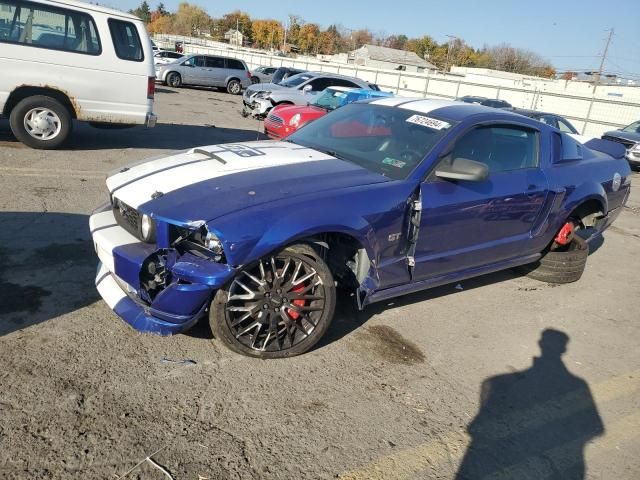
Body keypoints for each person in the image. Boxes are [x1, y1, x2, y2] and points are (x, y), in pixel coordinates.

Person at [456, 329, 604, 480]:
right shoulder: (578, 384)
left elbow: (477, 426)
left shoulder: (496, 381)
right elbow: (595, 428)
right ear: (564, 349)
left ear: (540, 344)